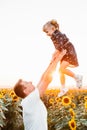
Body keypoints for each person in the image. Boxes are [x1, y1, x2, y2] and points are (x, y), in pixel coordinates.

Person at [13, 49, 66, 130]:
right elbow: (46, 80)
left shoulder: (30, 100)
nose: (30, 81)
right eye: (27, 83)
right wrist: (59, 58)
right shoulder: (29, 100)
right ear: (25, 90)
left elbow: (42, 78)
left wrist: (52, 61)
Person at [43, 19, 83, 97]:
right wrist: (55, 55)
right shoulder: (54, 36)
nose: (47, 34)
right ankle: (63, 88)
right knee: (61, 71)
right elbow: (58, 48)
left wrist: (54, 55)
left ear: (53, 29)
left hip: (68, 52)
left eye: (47, 32)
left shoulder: (57, 34)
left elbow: (59, 46)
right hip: (64, 53)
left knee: (61, 69)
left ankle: (77, 77)